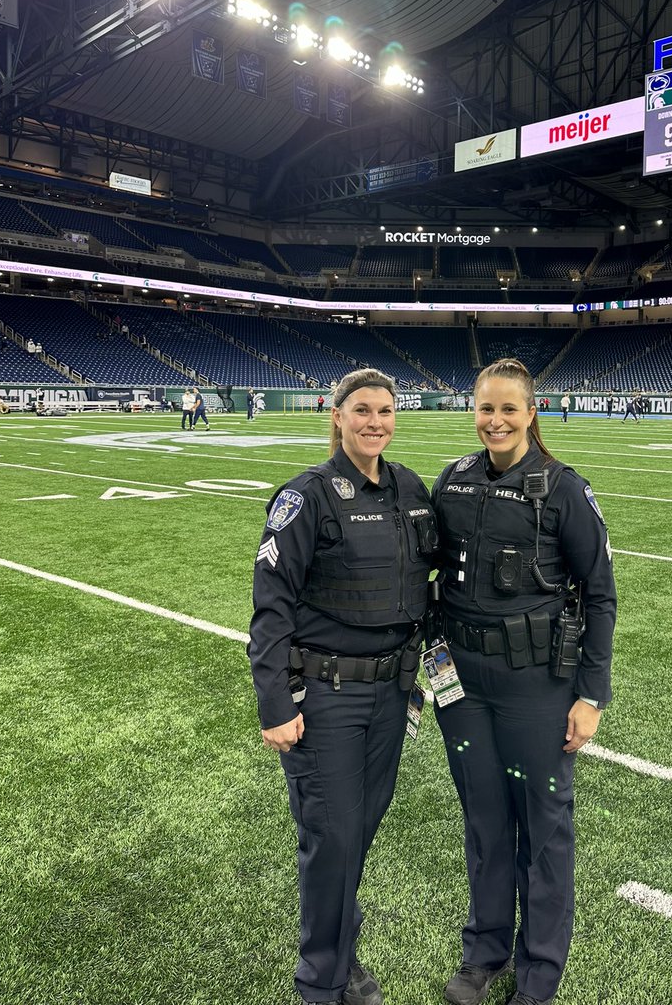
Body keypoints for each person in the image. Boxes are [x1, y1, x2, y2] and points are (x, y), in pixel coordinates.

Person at [430, 358, 616, 1005]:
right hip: (462, 686)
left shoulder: (564, 488)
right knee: (484, 821)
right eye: (486, 408)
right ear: (472, 410)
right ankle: (485, 952)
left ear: (531, 413)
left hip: (536, 684)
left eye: (509, 409)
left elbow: (600, 595)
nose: (496, 421)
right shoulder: (451, 481)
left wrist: (592, 694)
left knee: (543, 828)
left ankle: (538, 977)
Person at [249, 368, 438, 1005]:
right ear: (337, 416)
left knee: (356, 832)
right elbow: (271, 606)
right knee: (332, 837)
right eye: (361, 410)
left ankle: (340, 954)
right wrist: (275, 702)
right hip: (324, 696)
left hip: (391, 694)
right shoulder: (307, 497)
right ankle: (321, 983)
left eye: (385, 411)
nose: (375, 422)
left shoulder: (409, 487)